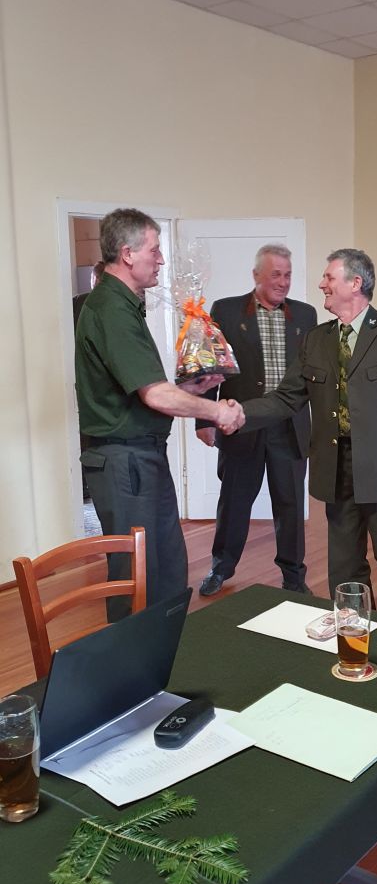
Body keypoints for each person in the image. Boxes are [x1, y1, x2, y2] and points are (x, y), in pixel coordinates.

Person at [240, 249, 377, 620]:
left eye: (329, 277)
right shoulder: (317, 339)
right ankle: (353, 629)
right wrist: (237, 412)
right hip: (335, 465)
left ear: (355, 283)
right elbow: (286, 398)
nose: (321, 284)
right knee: (343, 562)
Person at [75, 208, 244, 621]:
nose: (162, 260)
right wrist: (216, 410)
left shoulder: (125, 306)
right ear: (128, 253)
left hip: (140, 457)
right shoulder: (111, 309)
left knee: (165, 568)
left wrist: (190, 390)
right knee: (139, 580)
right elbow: (154, 395)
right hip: (124, 462)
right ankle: (132, 661)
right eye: (155, 250)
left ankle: (165, 653)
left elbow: (143, 393)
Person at [196, 244, 317, 596]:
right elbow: (210, 365)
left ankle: (293, 576)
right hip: (241, 424)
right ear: (256, 275)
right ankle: (221, 567)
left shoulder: (305, 315)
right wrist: (204, 418)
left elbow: (313, 372)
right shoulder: (226, 310)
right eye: (275, 274)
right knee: (234, 501)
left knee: (290, 505)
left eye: (288, 275)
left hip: (290, 426)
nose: (283, 282)